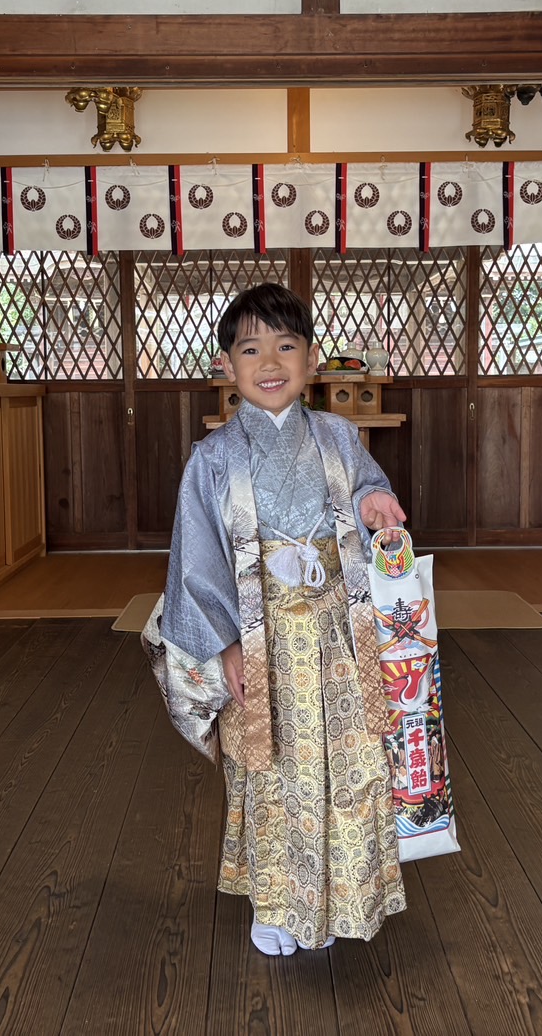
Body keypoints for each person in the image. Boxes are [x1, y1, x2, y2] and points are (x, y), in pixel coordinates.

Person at [143, 282, 408, 956]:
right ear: (226, 367)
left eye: (285, 346)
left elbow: (368, 487)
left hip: (340, 632)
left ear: (311, 359)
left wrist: (377, 504)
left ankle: (344, 898)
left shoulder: (337, 436)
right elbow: (195, 562)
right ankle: (277, 904)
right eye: (250, 347)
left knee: (352, 761)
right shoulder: (213, 458)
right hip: (260, 641)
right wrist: (223, 645)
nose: (268, 361)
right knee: (270, 771)